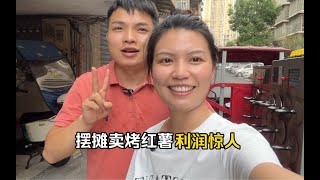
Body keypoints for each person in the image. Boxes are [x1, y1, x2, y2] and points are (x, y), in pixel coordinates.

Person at [126, 14, 304, 179]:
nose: (180, 73)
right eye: (166, 60)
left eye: (195, 59)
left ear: (213, 70)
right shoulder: (147, 140)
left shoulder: (234, 141)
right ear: (151, 71)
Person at [42, 0, 170, 179]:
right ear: (107, 35)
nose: (129, 38)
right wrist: (84, 123)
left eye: (141, 29)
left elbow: (213, 141)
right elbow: (51, 153)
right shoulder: (86, 85)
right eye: (119, 28)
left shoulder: (172, 83)